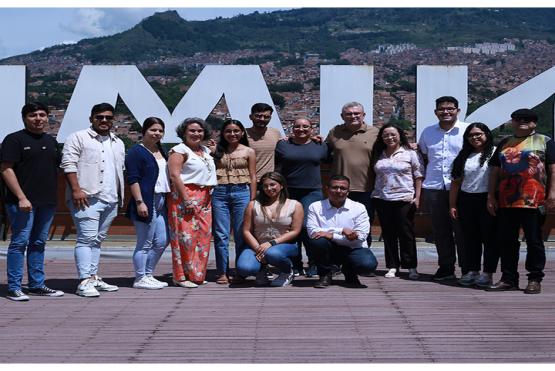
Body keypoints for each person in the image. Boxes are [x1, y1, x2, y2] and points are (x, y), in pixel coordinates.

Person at [486, 109, 555, 294]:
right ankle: (508, 278)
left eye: (528, 119)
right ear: (512, 122)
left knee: (534, 241)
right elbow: (494, 171)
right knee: (507, 241)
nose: (522, 121)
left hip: (534, 200)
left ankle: (534, 278)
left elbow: (552, 169)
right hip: (507, 200)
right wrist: (491, 195)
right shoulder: (505, 142)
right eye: (518, 119)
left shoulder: (544, 141)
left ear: (535, 123)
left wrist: (552, 194)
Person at [0, 102, 64, 301]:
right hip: (22, 202)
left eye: (42, 115)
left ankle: (36, 284)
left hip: (47, 201)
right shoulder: (14, 140)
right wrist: (21, 197)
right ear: (24, 118)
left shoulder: (51, 141)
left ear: (47, 117)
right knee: (19, 243)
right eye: (33, 115)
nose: (38, 118)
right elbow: (5, 169)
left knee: (38, 243)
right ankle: (14, 287)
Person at [61, 102, 125, 297]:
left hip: (111, 198)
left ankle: (93, 277)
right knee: (86, 239)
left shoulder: (118, 142)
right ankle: (84, 281)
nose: (104, 120)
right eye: (99, 117)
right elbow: (68, 164)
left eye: (108, 117)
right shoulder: (77, 137)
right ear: (91, 119)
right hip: (86, 197)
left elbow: (120, 171)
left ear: (113, 120)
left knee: (97, 241)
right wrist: (76, 189)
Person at [418, 96, 468, 281]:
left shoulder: (467, 130)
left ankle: (467, 268)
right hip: (435, 187)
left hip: (462, 188)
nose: (446, 112)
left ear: (458, 110)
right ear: (435, 112)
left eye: (450, 108)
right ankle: (446, 268)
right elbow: (423, 156)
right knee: (440, 231)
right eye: (442, 109)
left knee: (462, 230)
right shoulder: (428, 132)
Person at [275, 117, 329, 277]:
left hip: (312, 191)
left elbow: (331, 158)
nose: (301, 129)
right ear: (292, 128)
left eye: (305, 126)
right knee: (290, 228)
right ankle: (296, 263)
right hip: (288, 191)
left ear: (312, 129)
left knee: (308, 227)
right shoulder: (283, 144)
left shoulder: (321, 145)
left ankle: (313, 262)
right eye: (297, 126)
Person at [167, 117, 217, 288]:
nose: (196, 134)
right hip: (185, 195)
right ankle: (180, 276)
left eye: (200, 131)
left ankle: (196, 274)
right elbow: (175, 176)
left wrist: (213, 149)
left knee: (203, 236)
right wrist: (186, 199)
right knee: (185, 238)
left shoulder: (205, 150)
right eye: (192, 131)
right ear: (184, 133)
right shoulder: (179, 150)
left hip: (205, 196)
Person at [370, 124, 423, 280]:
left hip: (404, 198)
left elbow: (418, 175)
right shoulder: (378, 154)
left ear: (400, 135)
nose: (389, 138)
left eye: (393, 134)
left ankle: (411, 266)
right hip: (382, 198)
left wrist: (418, 197)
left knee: (406, 233)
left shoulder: (410, 153)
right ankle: (392, 265)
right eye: (386, 135)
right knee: (388, 233)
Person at [449, 123, 499, 288]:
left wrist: (492, 198)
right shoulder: (464, 155)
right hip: (466, 199)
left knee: (490, 238)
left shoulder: (495, 152)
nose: (475, 138)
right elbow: (456, 182)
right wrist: (452, 204)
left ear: (486, 134)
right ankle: (472, 271)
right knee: (470, 238)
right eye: (471, 135)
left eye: (478, 134)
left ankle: (488, 273)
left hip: (487, 199)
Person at [307, 175, 378, 288]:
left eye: (343, 188)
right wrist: (342, 230)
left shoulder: (359, 208)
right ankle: (325, 275)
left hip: (353, 248)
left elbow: (360, 237)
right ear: (327, 189)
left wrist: (330, 235)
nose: (338, 191)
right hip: (329, 248)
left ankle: (350, 272)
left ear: (348, 191)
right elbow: (312, 232)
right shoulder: (315, 207)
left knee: (367, 265)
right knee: (317, 241)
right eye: (334, 187)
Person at [125, 117, 171, 290]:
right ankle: (139, 278)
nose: (157, 133)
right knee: (144, 243)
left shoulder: (161, 150)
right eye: (153, 130)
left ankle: (148, 274)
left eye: (160, 130)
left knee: (162, 241)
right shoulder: (136, 152)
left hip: (161, 200)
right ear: (144, 131)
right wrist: (140, 202)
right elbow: (133, 179)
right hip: (146, 200)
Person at [325, 102, 379, 245]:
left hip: (366, 188)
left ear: (363, 115)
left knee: (364, 226)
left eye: (356, 113)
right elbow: (323, 149)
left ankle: (361, 258)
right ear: (342, 116)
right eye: (349, 114)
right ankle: (336, 261)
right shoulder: (334, 132)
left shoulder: (375, 133)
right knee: (335, 225)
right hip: (338, 189)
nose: (353, 116)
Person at [237, 172, 303, 287]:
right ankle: (262, 270)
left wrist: (271, 243)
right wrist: (258, 249)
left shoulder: (295, 205)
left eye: (273, 185)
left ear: (281, 185)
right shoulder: (253, 205)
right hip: (257, 245)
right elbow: (246, 230)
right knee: (245, 268)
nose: (269, 188)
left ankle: (287, 271)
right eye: (265, 186)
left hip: (284, 245)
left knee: (272, 253)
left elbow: (295, 231)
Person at [211, 119, 256, 285]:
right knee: (221, 234)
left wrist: (252, 199)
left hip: (242, 192)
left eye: (236, 130)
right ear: (223, 133)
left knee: (240, 233)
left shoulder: (249, 151)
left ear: (242, 132)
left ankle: (240, 271)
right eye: (228, 131)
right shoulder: (215, 150)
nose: (232, 134)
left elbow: (252, 176)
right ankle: (222, 272)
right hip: (219, 192)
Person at [245, 103, 282, 181]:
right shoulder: (242, 134)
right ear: (250, 117)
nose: (262, 119)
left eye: (266, 117)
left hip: (268, 182)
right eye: (258, 116)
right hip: (247, 181)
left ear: (270, 118)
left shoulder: (275, 133)